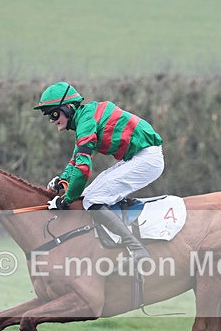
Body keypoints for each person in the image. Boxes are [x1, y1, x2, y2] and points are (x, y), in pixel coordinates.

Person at [34, 81, 164, 264]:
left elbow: (83, 170)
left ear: (69, 107)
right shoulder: (85, 117)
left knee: (92, 199)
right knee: (89, 196)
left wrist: (66, 200)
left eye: (54, 113)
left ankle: (137, 249)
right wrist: (62, 180)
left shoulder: (86, 122)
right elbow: (75, 160)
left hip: (147, 159)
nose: (51, 119)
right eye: (47, 115)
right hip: (139, 157)